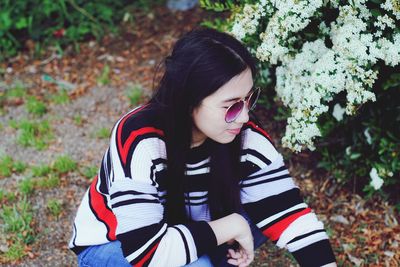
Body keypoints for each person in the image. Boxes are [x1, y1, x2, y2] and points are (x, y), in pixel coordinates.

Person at [69, 28, 337, 267]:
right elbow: (146, 253)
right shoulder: (139, 138)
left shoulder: (243, 134)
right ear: (189, 101)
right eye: (230, 105)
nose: (244, 116)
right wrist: (231, 225)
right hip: (117, 246)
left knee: (269, 212)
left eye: (249, 98)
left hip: (190, 230)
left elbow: (292, 216)